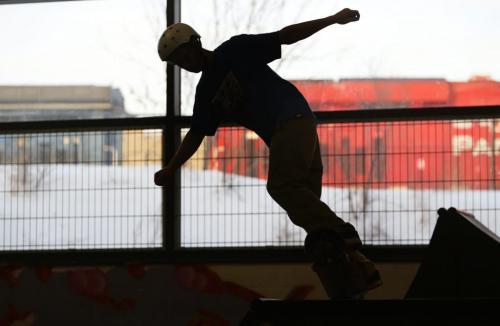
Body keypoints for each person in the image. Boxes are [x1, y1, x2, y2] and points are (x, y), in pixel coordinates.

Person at [154, 8, 382, 299]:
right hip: (293, 132)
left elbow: (285, 37)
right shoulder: (206, 93)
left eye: (185, 57)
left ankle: (343, 232)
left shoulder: (235, 50)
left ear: (197, 43)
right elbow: (196, 135)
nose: (185, 65)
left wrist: (331, 19)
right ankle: (356, 275)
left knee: (281, 187)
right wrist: (171, 169)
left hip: (293, 122)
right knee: (311, 221)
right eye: (178, 64)